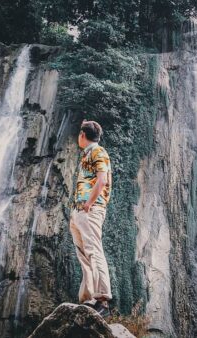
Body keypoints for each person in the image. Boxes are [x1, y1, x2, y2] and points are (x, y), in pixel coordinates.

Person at [69, 119, 113, 317]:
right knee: (84, 254)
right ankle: (89, 298)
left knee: (94, 251)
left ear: (82, 136)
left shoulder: (98, 152)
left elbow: (102, 179)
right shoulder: (88, 154)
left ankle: (103, 300)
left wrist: (88, 203)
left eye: (79, 134)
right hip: (79, 210)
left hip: (90, 209)